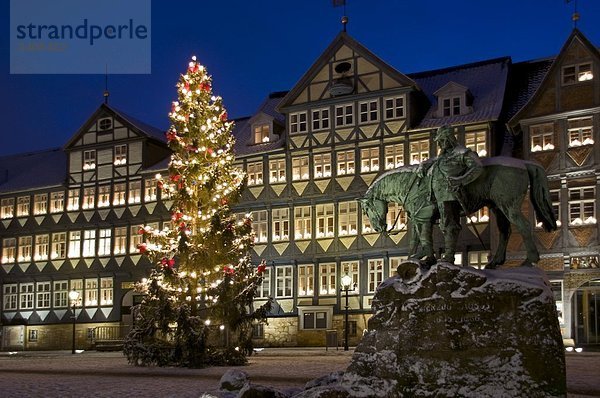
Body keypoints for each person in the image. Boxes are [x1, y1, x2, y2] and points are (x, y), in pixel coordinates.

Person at [418, 126, 483, 263]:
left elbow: (477, 167)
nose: (440, 144)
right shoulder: (442, 157)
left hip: (450, 196)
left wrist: (461, 180)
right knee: (424, 220)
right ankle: (428, 254)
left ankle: (449, 256)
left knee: (449, 225)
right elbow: (434, 161)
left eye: (441, 141)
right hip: (435, 197)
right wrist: (424, 164)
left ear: (448, 139)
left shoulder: (461, 153)